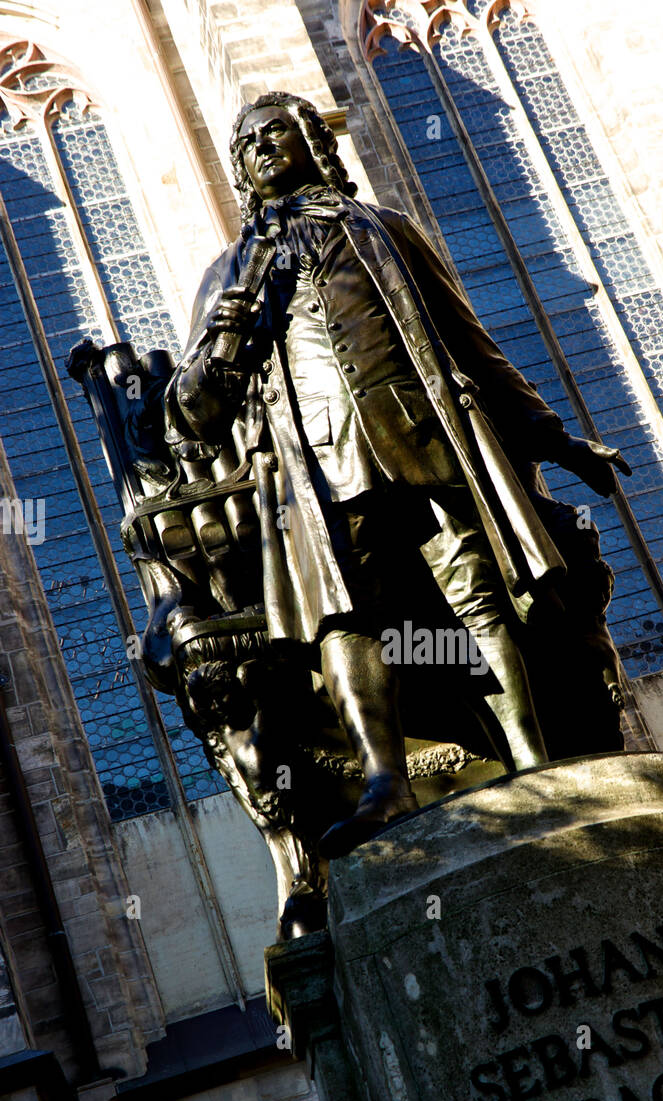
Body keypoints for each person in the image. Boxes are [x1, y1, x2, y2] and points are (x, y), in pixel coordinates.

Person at [165, 92, 631, 860]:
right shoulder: (229, 274)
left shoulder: (386, 231)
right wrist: (221, 340)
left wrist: (556, 438)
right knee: (345, 618)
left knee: (481, 592)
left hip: (426, 439)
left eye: (277, 132)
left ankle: (533, 761)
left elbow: (473, 346)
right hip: (317, 466)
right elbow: (192, 416)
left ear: (316, 142)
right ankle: (387, 785)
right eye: (245, 144)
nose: (260, 149)